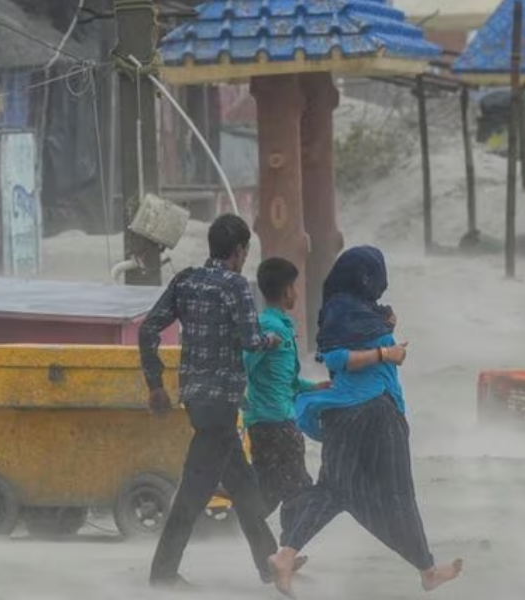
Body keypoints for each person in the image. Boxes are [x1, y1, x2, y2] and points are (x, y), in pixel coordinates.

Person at [268, 246, 463, 597]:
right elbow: (340, 358)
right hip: (375, 412)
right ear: (365, 278)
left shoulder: (344, 309)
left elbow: (341, 346)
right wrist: (386, 352)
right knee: (398, 495)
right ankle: (428, 570)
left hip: (344, 415)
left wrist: (384, 330)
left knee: (332, 490)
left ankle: (285, 555)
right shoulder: (349, 311)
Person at [138, 213, 282, 588]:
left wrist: (155, 384)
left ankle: (272, 564)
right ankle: (163, 574)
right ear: (240, 251)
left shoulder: (185, 279)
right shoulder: (235, 285)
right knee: (193, 492)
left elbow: (148, 328)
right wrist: (272, 341)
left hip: (195, 397)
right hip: (222, 400)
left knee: (244, 484)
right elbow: (252, 341)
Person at [243, 257, 325, 517]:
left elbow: (288, 382)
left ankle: (274, 549)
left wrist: (316, 387)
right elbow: (243, 366)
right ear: (287, 290)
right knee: (299, 489)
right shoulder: (268, 327)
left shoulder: (283, 327)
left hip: (275, 419)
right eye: (295, 286)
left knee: (267, 494)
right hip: (273, 422)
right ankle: (289, 547)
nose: (298, 293)